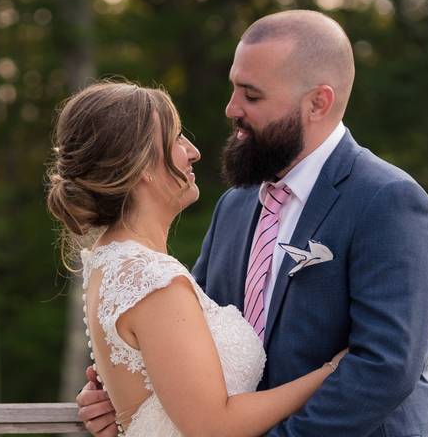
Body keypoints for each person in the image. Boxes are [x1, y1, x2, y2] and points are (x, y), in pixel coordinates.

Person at [77, 10, 428, 437]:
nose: (231, 108)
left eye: (251, 96)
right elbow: (188, 335)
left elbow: (385, 368)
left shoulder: (387, 201)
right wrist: (123, 395)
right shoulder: (235, 205)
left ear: (317, 103)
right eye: (234, 88)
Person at [47, 81, 348, 437]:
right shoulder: (151, 279)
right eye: (176, 139)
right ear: (141, 164)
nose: (192, 151)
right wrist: (330, 372)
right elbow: (213, 425)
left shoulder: (110, 261)